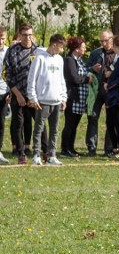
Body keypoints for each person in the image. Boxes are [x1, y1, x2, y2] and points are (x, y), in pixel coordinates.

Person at [27, 34, 67, 165]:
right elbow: (32, 79)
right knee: (39, 128)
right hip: (42, 101)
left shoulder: (60, 60)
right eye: (61, 47)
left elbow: (61, 79)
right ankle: (36, 155)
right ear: (54, 45)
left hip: (56, 100)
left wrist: (63, 97)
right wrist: (33, 98)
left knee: (54, 129)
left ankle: (52, 156)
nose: (62, 50)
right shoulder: (39, 58)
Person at [4, 23, 42, 164]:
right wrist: (18, 95)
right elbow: (7, 74)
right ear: (19, 35)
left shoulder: (38, 50)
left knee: (40, 123)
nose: (28, 38)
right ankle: (20, 153)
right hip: (17, 92)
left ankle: (43, 151)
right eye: (25, 35)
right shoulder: (12, 51)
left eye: (30, 35)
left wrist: (34, 96)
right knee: (18, 123)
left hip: (34, 94)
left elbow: (42, 75)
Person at [85, 29, 115, 156]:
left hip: (111, 90)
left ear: (112, 38)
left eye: (106, 40)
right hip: (97, 91)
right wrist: (92, 69)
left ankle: (109, 148)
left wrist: (112, 73)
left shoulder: (118, 53)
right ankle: (91, 148)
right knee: (92, 117)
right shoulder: (95, 53)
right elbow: (85, 68)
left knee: (111, 120)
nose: (103, 43)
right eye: (101, 41)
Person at [60, 36, 91, 158]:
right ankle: (64, 148)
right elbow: (74, 78)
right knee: (69, 124)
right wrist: (87, 79)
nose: (85, 49)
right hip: (72, 97)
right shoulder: (69, 60)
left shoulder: (79, 60)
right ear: (76, 48)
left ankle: (71, 148)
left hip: (80, 98)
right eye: (83, 47)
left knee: (74, 125)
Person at [0, 26, 9, 164]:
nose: (0, 41)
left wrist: (10, 92)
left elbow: (12, 73)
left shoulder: (9, 51)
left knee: (0, 123)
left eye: (2, 38)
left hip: (3, 92)